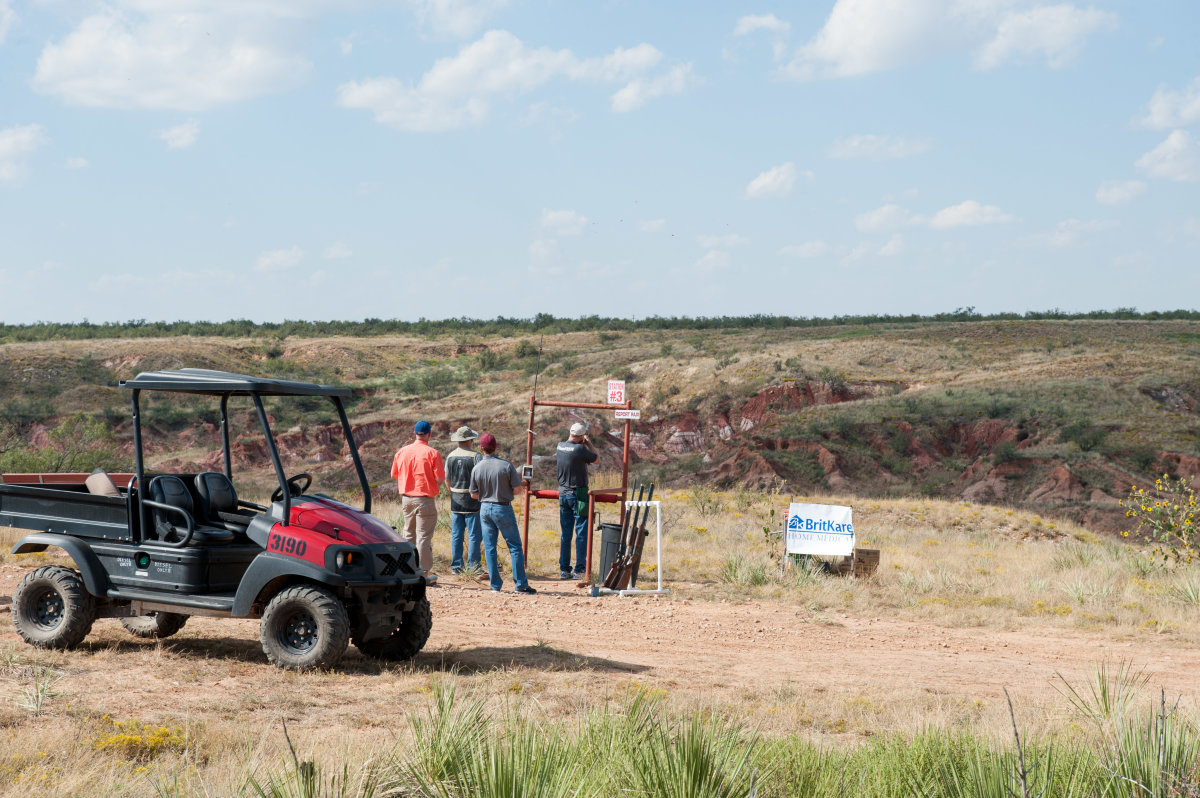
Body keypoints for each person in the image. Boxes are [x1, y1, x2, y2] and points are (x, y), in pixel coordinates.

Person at [469, 433, 536, 594]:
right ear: (496, 447)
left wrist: (487, 496)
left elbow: (473, 494)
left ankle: (495, 585)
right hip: (502, 507)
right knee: (514, 546)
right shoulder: (506, 466)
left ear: (481, 448)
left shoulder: (477, 467)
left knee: (490, 547)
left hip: (484, 508)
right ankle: (520, 585)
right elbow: (518, 489)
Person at [390, 420, 445, 584]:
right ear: (429, 434)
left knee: (408, 535)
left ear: (414, 434)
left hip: (407, 499)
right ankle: (424, 574)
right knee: (424, 537)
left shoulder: (401, 452)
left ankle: (407, 570)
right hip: (425, 499)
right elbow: (440, 479)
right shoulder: (433, 453)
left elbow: (394, 475)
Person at [556, 421, 598, 580]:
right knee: (581, 533)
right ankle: (579, 570)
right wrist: (589, 444)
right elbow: (597, 459)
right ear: (581, 437)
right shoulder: (581, 449)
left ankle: (564, 569)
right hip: (578, 494)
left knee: (565, 533)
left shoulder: (560, 446)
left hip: (563, 493)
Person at [445, 425, 483, 575]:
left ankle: (456, 566)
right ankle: (473, 566)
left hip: (456, 500)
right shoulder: (476, 456)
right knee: (474, 535)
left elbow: (447, 480)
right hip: (473, 501)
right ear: (471, 440)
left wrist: (453, 493)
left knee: (456, 534)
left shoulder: (450, 456)